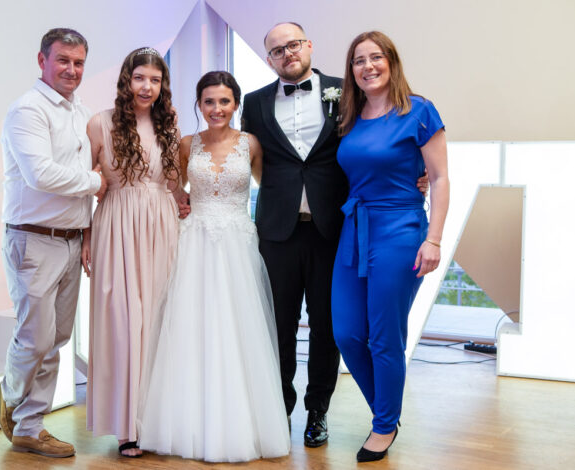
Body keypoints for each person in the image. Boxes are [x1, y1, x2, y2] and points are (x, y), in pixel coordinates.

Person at [137, 71, 291, 462]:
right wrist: (180, 203)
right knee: (193, 328)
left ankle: (243, 425)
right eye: (209, 101)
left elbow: (271, 187)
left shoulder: (250, 144)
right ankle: (187, 424)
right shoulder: (187, 144)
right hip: (196, 243)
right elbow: (174, 188)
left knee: (240, 328)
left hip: (238, 243)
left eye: (224, 101)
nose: (217, 109)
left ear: (236, 104)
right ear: (199, 105)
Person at [331, 31, 449, 463]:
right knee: (347, 333)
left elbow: (439, 178)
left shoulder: (418, 110)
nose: (368, 66)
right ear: (351, 71)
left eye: (375, 57)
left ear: (391, 61)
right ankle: (387, 413)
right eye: (358, 60)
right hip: (354, 228)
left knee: (384, 336)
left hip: (400, 228)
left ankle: (383, 425)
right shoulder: (349, 115)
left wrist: (433, 239)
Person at [0, 28, 106, 458]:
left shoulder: (80, 111)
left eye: (79, 62)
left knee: (57, 336)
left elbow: (77, 177)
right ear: (42, 60)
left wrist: (86, 232)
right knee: (35, 338)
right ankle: (11, 393)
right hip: (34, 239)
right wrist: (97, 182)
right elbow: (40, 174)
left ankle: (30, 427)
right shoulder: (28, 110)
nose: (72, 70)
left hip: (70, 241)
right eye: (63, 60)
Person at [240, 22, 347, 448]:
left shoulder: (344, 91)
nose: (288, 53)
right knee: (278, 326)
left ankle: (318, 410)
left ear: (309, 46)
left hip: (330, 230)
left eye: (294, 45)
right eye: (278, 50)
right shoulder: (254, 102)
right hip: (276, 232)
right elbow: (250, 160)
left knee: (327, 326)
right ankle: (278, 410)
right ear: (269, 59)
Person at [82, 47, 187, 458]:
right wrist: (86, 235)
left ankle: (158, 418)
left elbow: (175, 185)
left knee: (159, 319)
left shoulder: (169, 124)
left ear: (163, 86)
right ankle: (128, 426)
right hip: (117, 226)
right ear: (126, 80)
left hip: (162, 224)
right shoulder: (100, 123)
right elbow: (83, 185)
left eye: (155, 80)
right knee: (124, 322)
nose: (147, 86)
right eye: (139, 77)